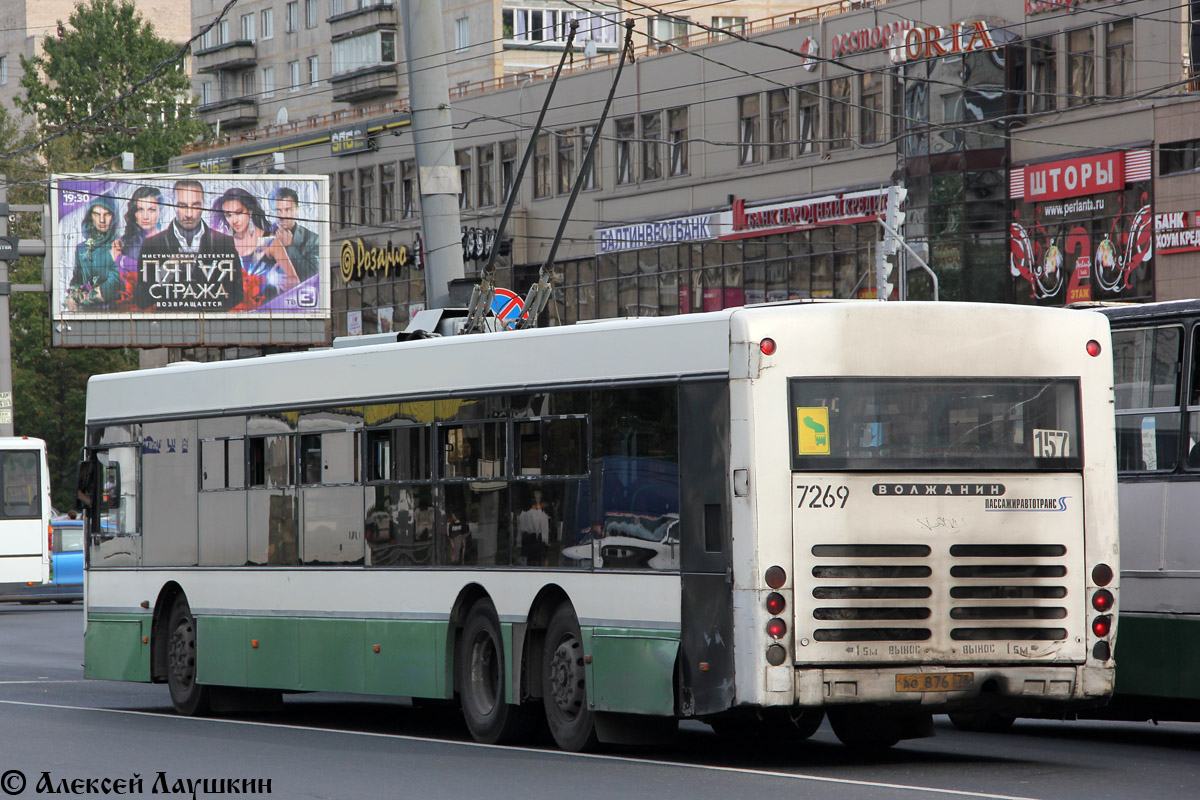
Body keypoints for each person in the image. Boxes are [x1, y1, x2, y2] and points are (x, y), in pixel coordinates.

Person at [136, 180, 242, 311]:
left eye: (196, 205)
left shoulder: (224, 243)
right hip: (169, 324)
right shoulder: (152, 244)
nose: (189, 214)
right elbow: (141, 300)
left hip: (211, 325)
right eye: (182, 205)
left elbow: (237, 295)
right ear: (173, 204)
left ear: (204, 204)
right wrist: (164, 273)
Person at [215, 187, 300, 308]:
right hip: (233, 314)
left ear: (249, 211)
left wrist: (277, 280)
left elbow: (295, 281)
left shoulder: (269, 241)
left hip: (267, 313)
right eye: (228, 215)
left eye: (238, 213)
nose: (234, 220)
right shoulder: (225, 244)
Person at [67, 195, 121, 310]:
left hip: (116, 314)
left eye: (107, 214)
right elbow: (76, 279)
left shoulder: (119, 246)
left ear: (114, 216)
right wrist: (72, 295)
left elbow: (113, 287)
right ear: (90, 216)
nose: (102, 220)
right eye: (97, 214)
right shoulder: (81, 248)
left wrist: (80, 298)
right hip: (85, 317)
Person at [112, 186, 163, 305]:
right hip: (127, 310)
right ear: (134, 213)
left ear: (160, 212)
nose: (145, 216)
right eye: (140, 209)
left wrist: (122, 260)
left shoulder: (168, 242)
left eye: (151, 210)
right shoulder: (121, 244)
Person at [271, 187, 319, 282]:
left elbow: (313, 275)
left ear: (297, 210)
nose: (282, 216)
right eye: (278, 210)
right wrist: (271, 275)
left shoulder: (312, 239)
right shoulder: (264, 235)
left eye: (288, 210)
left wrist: (290, 247)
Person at [518, 492, 551, 566]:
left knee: (526, 558)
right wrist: (545, 540)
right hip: (535, 538)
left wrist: (519, 543)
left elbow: (519, 530)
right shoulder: (540, 514)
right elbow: (543, 528)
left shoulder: (522, 514)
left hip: (525, 537)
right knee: (535, 558)